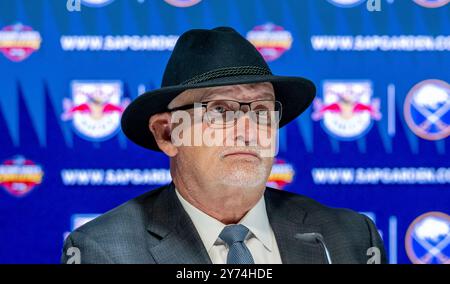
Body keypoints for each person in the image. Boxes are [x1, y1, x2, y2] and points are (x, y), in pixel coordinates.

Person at [61, 27, 386, 264]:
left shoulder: (352, 238)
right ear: (167, 133)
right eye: (220, 110)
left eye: (261, 111)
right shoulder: (102, 251)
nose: (248, 130)